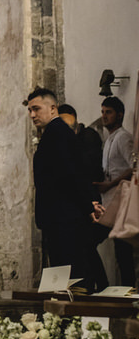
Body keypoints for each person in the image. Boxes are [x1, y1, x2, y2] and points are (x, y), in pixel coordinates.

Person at [26, 87, 96, 290]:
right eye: (30, 110)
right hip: (60, 217)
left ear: (53, 108)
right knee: (64, 278)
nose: (32, 115)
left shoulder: (58, 133)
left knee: (72, 279)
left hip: (65, 218)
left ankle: (72, 319)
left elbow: (71, 174)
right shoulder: (54, 133)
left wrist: (88, 205)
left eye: (36, 109)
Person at [57, 103, 108, 291]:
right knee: (85, 247)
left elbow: (86, 170)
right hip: (81, 203)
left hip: (90, 202)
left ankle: (99, 287)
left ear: (73, 119)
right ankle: (96, 286)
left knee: (86, 245)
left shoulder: (88, 137)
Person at [93, 96, 136, 286]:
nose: (104, 116)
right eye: (102, 112)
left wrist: (110, 185)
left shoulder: (124, 137)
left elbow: (133, 168)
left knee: (123, 254)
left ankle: (126, 295)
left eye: (108, 112)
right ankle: (107, 287)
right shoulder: (110, 139)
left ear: (119, 114)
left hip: (120, 204)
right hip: (108, 203)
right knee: (94, 244)